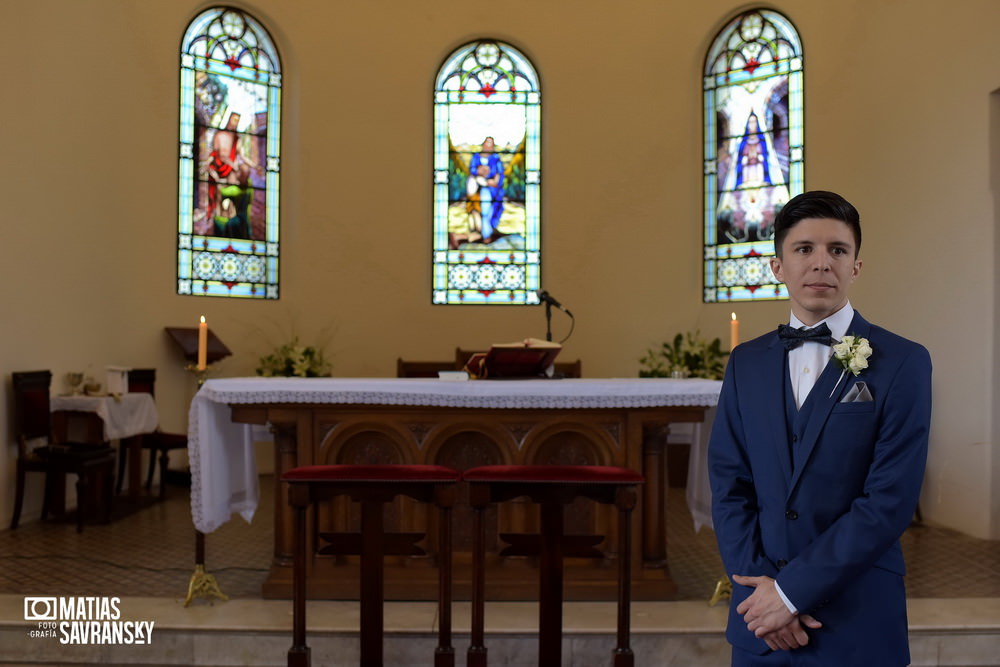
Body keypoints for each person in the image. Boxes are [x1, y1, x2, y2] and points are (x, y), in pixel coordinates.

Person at [708, 190, 932, 666]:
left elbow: (888, 502)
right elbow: (730, 487)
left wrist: (790, 595)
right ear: (777, 266)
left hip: (858, 619)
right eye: (804, 249)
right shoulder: (745, 363)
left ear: (856, 267)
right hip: (760, 626)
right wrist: (765, 600)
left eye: (837, 250)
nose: (821, 263)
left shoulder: (904, 362)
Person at [466, 136, 505, 242]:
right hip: (479, 189)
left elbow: (499, 173)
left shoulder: (495, 158)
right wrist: (479, 172)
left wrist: (495, 182)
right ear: (483, 144)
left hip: (493, 189)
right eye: (487, 143)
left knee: (492, 210)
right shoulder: (476, 157)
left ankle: (488, 232)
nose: (489, 146)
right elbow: (472, 170)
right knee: (483, 210)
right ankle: (485, 234)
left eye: (491, 144)